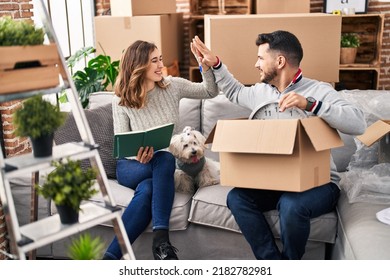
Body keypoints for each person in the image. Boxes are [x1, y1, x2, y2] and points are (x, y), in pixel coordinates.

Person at [191, 30, 366, 260]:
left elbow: (358, 123)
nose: (256, 64)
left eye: (261, 58)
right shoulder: (261, 92)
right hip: (274, 181)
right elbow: (234, 91)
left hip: (320, 183)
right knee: (236, 197)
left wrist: (311, 105)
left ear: (280, 61)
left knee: (291, 204)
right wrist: (216, 64)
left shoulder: (319, 90)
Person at [102, 40, 219, 260]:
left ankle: (111, 257)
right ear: (138, 66)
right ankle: (162, 242)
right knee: (163, 160)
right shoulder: (121, 99)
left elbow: (211, 91)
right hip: (131, 166)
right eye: (153, 61)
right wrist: (136, 155)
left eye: (160, 59)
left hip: (161, 166)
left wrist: (204, 65)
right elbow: (121, 142)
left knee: (148, 187)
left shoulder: (172, 86)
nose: (160, 65)